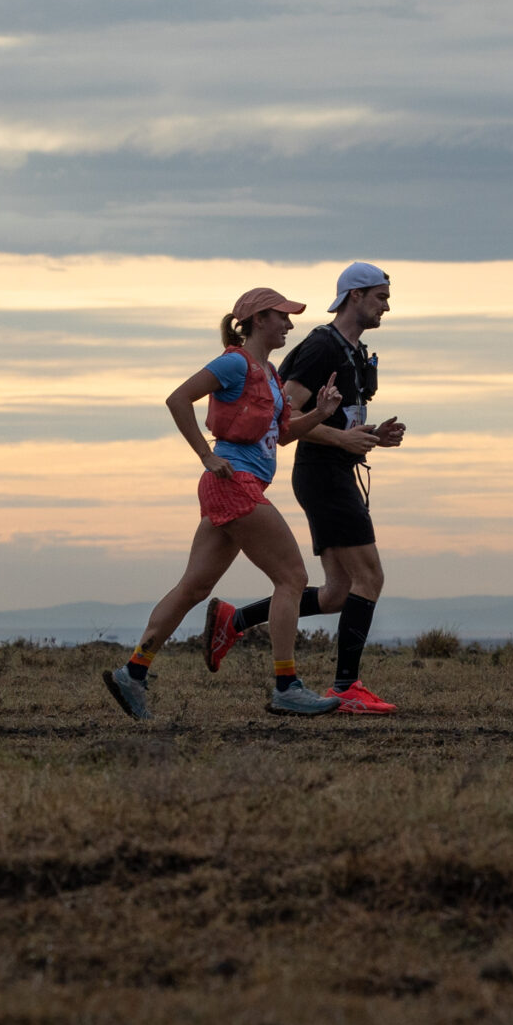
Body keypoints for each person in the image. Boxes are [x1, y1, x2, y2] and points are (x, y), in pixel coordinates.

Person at [102, 287, 344, 721]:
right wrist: (206, 455)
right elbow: (178, 399)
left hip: (233, 485)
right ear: (256, 320)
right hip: (234, 483)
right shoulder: (235, 362)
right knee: (292, 578)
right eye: (282, 317)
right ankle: (287, 686)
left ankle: (132, 672)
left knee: (194, 587)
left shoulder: (268, 372)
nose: (289, 324)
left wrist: (321, 414)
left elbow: (283, 435)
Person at [201, 262, 406, 713]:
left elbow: (333, 422)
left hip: (335, 470)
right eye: (380, 298)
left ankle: (234, 621)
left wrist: (369, 435)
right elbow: (284, 417)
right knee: (370, 577)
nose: (386, 307)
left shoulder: (353, 351)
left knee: (336, 593)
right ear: (355, 296)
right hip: (321, 473)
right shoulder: (320, 347)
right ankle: (346, 688)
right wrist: (342, 439)